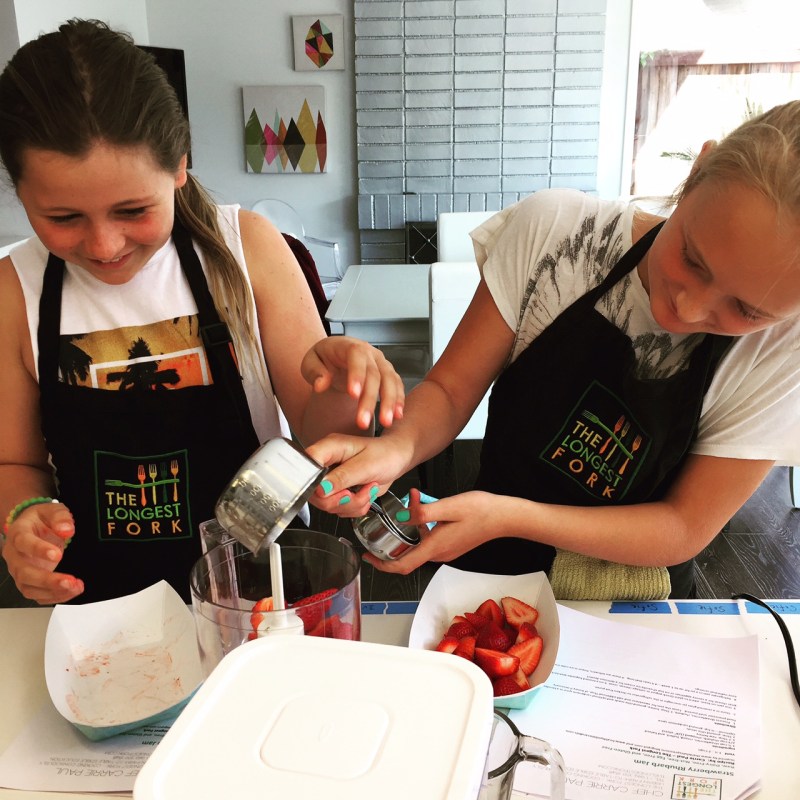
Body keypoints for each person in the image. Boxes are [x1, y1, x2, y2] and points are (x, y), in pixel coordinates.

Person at [307, 100, 800, 599]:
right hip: (490, 569)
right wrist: (395, 448)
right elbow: (450, 391)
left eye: (747, 310)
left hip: (632, 597)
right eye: (693, 259)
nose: (689, 309)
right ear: (696, 173)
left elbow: (682, 527)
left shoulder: (785, 350)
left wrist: (510, 517)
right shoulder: (557, 234)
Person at [0, 19, 404, 606]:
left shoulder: (246, 249)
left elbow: (318, 439)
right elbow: (16, 463)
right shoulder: (16, 290)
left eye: (134, 209)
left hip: (265, 598)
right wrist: (25, 515)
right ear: (20, 192)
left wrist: (346, 386)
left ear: (179, 164)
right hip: (107, 611)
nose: (105, 246)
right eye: (63, 218)